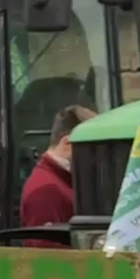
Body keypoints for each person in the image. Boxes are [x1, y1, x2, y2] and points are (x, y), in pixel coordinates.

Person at [19, 104, 95, 248]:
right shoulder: (46, 192)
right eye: (90, 148)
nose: (94, 157)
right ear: (67, 142)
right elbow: (47, 256)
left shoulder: (61, 182)